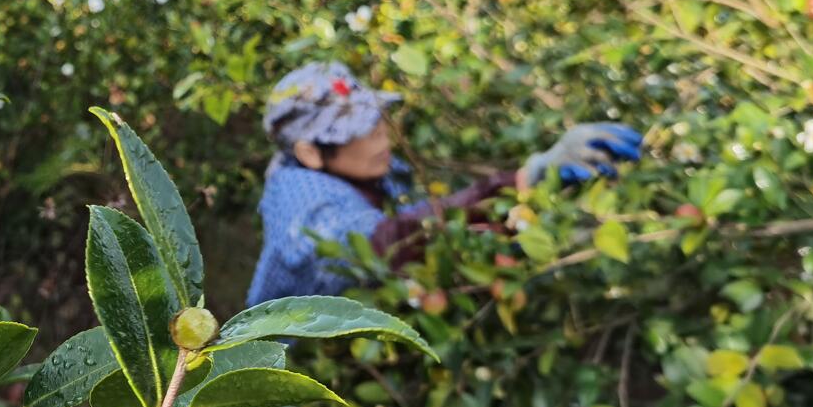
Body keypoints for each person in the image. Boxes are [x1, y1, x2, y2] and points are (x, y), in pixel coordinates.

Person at [247, 61, 644, 306]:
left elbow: (425, 225)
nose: (381, 140)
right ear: (310, 153)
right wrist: (519, 180)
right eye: (356, 133)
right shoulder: (298, 195)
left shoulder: (368, 173)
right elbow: (376, 246)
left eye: (376, 123)